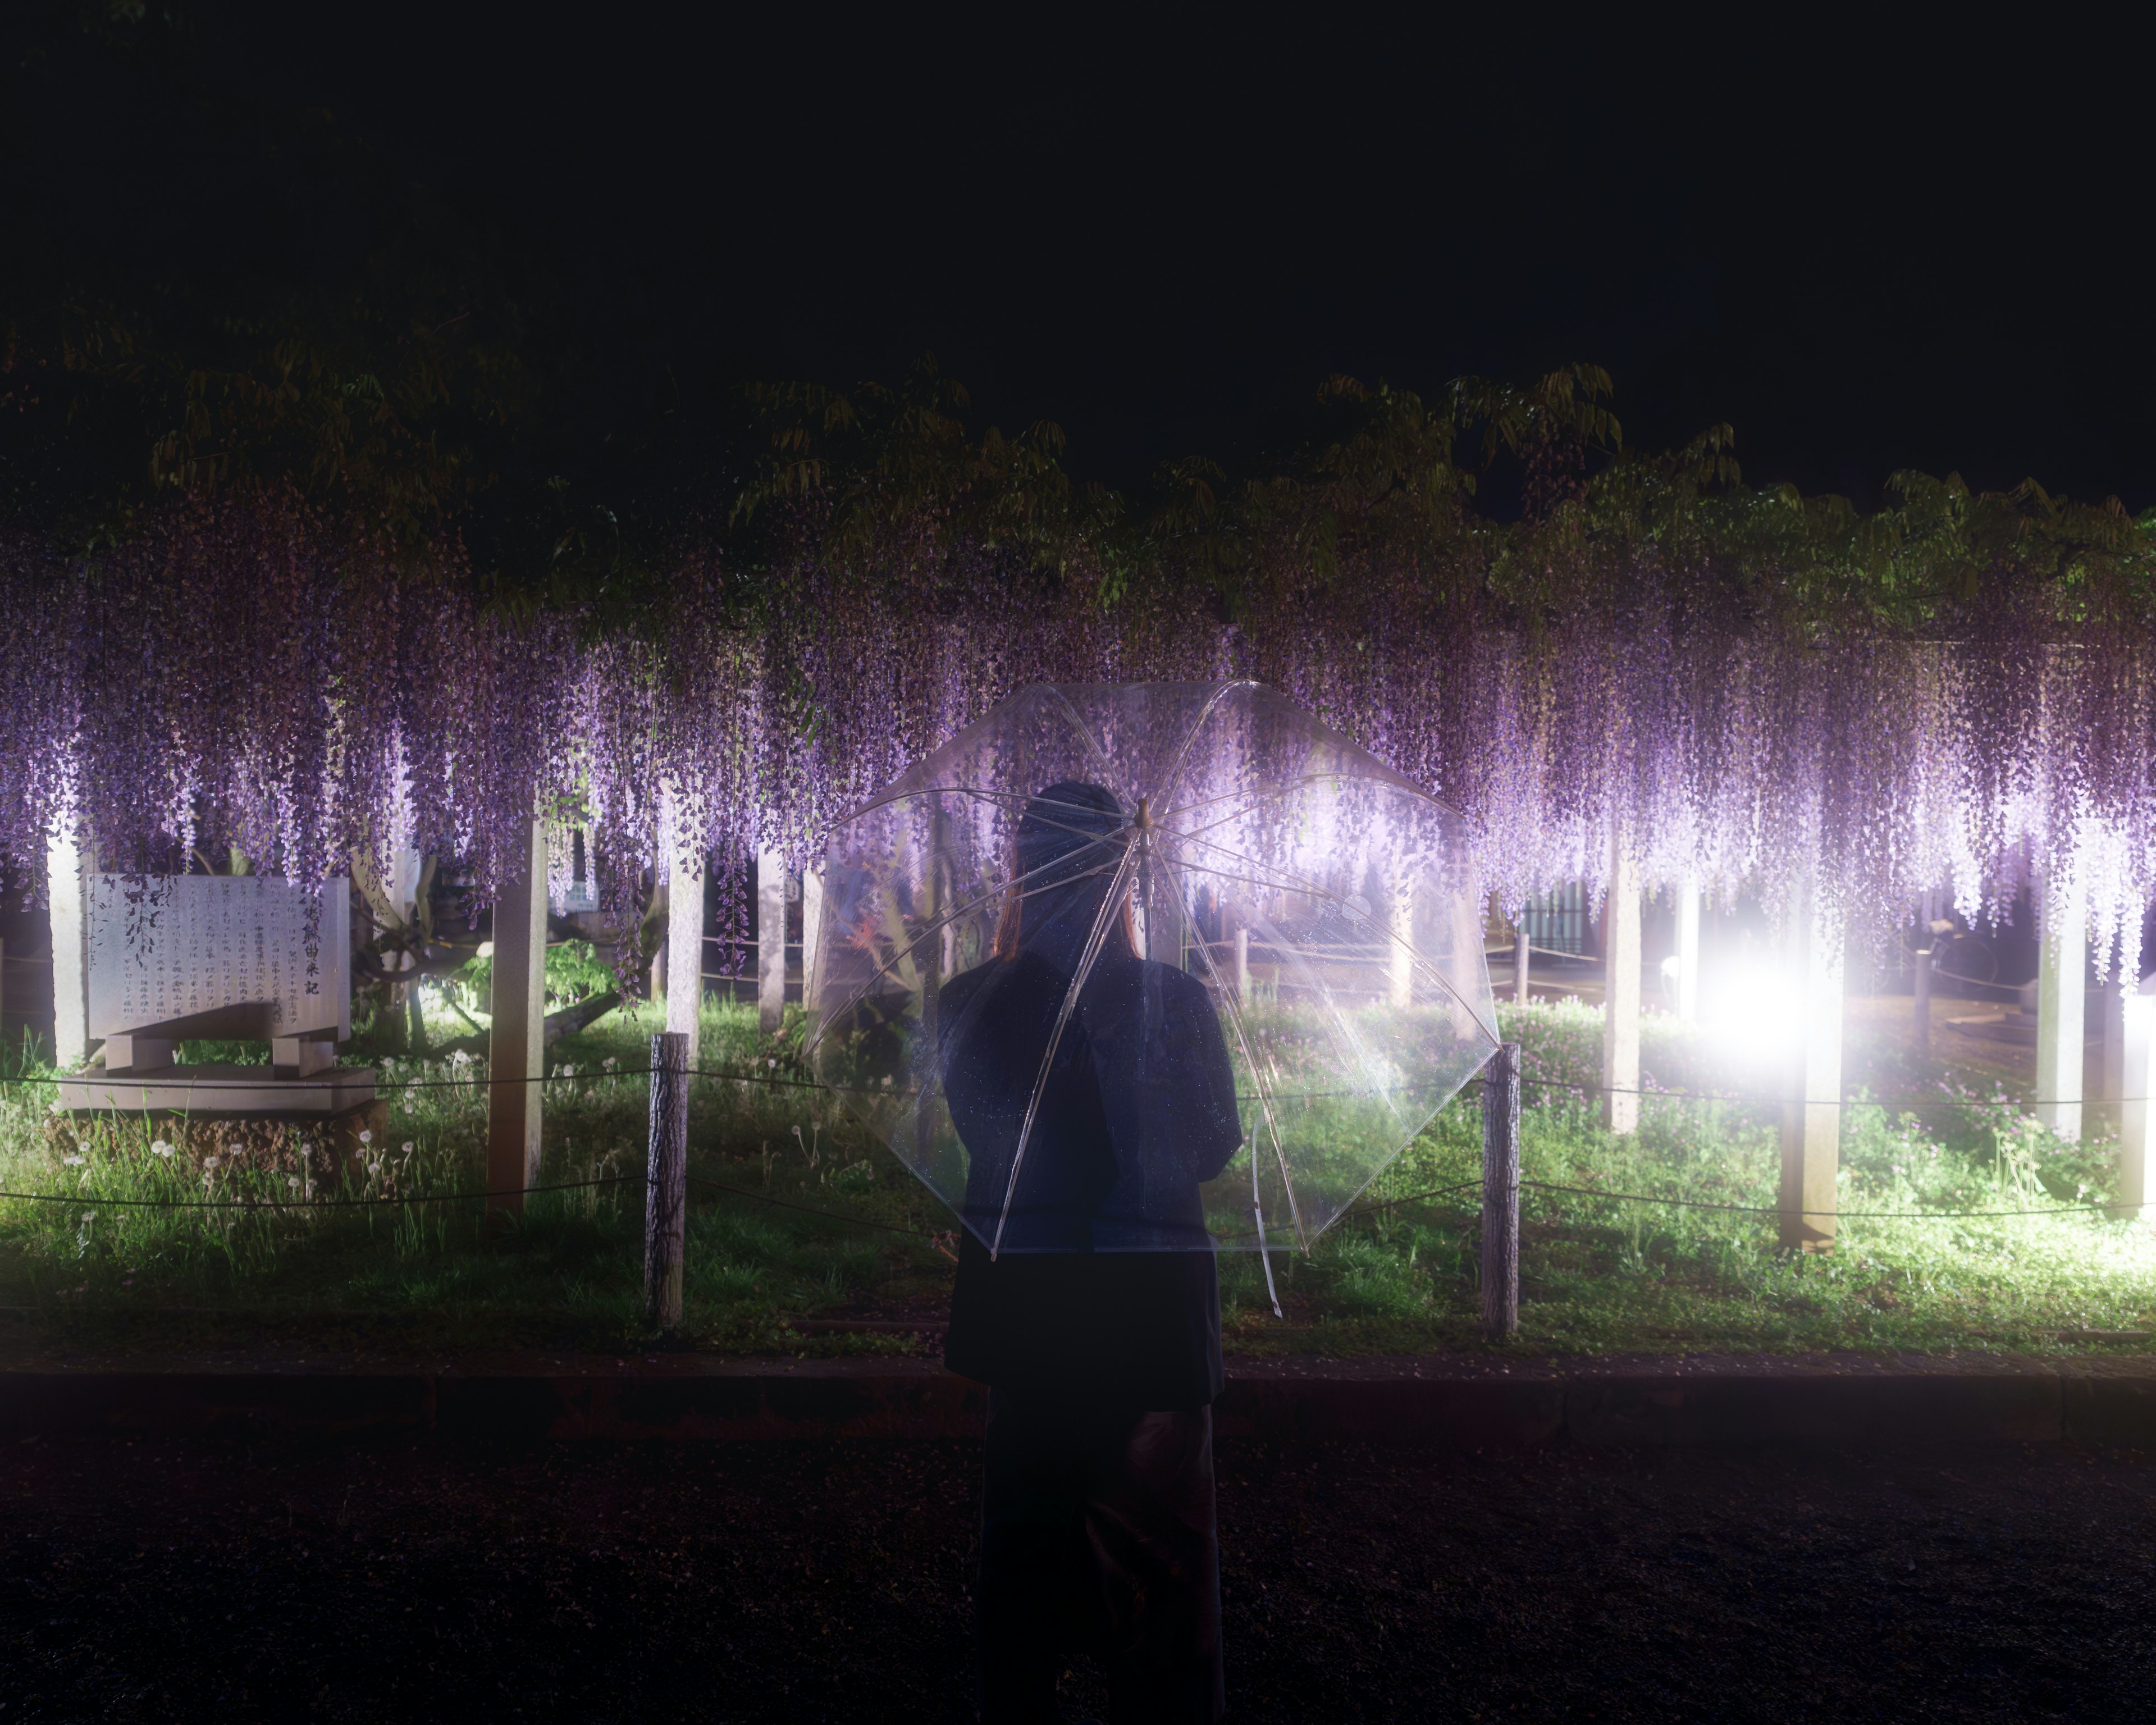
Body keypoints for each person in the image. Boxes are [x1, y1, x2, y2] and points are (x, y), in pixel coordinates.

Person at [936, 780, 1244, 1724]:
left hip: (1032, 1310)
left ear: (1024, 875)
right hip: (1150, 1318)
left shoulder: (969, 1002)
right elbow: (1214, 1145)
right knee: (1163, 1587)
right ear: (1128, 876)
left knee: (1023, 1572)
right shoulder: (1176, 1001)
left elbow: (979, 1134)